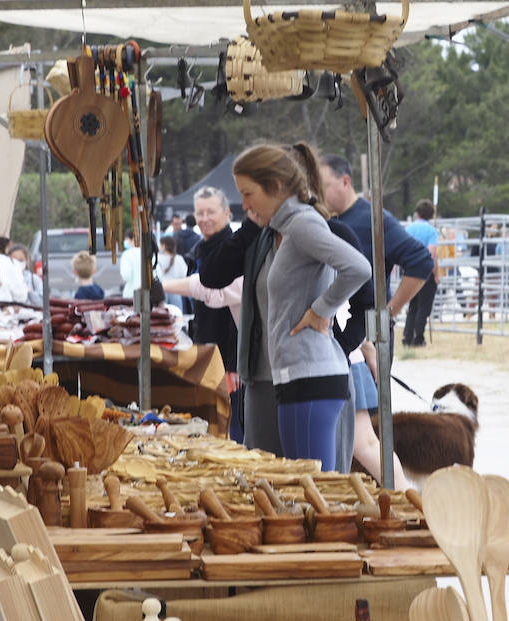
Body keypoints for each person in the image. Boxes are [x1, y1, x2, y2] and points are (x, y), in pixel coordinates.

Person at [198, 147, 376, 460]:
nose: (245, 204)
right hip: (271, 377)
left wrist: (328, 327)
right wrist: (255, 225)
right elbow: (212, 275)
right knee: (283, 484)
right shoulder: (265, 236)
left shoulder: (311, 226)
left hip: (309, 372)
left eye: (249, 193)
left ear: (278, 186)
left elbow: (363, 283)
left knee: (313, 484)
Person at [319, 154, 434, 480]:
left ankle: (399, 499)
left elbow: (421, 262)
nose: (320, 193)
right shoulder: (328, 222)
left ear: (345, 181)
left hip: (364, 338)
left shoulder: (373, 219)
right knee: (352, 438)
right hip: (340, 340)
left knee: (364, 438)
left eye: (324, 185)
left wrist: (387, 314)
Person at [188, 186, 245, 441]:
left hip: (231, 356)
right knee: (212, 419)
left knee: (232, 421)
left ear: (226, 213)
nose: (205, 218)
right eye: (200, 213)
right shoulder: (197, 251)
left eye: (211, 212)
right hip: (206, 349)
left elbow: (221, 297)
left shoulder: (235, 248)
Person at [403, 199, 440, 346]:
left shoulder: (409, 228)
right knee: (424, 306)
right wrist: (435, 273)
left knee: (413, 305)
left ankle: (407, 337)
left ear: (417, 213)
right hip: (425, 271)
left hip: (410, 270)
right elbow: (432, 252)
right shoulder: (431, 231)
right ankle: (418, 338)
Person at [6, 243, 44, 307]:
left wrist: (28, 292)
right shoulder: (5, 279)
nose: (17, 263)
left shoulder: (34, 280)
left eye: (20, 260)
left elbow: (42, 303)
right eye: (14, 260)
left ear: (27, 260)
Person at [158, 236, 189, 308]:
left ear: (163, 245)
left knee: (162, 315)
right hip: (176, 290)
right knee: (177, 315)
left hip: (162, 290)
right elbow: (185, 274)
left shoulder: (158, 258)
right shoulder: (179, 258)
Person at [118, 228, 142, 298]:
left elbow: (126, 276)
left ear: (131, 239)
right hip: (148, 294)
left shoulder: (127, 254)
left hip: (131, 294)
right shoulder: (149, 253)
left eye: (126, 239)